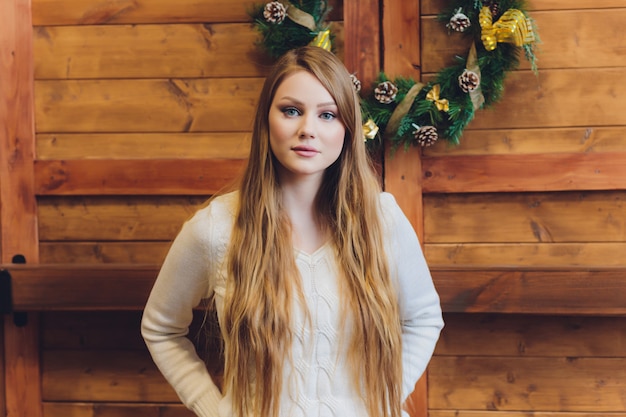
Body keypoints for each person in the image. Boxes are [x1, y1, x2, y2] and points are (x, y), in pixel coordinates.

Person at [141, 45, 444, 417]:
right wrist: (214, 409)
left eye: (328, 115)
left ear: (347, 129)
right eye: (291, 110)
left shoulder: (382, 220)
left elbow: (424, 318)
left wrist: (385, 399)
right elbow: (161, 329)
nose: (307, 130)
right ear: (266, 120)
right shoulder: (215, 229)